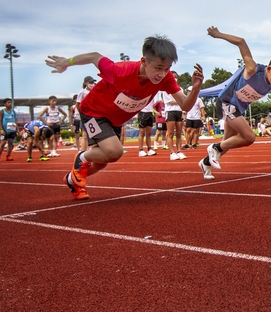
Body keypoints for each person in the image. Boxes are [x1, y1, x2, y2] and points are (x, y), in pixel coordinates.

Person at [45, 35, 203, 200]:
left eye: (167, 68)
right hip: (94, 111)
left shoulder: (165, 79)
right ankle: (82, 157)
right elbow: (94, 56)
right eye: (158, 67)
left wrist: (196, 89)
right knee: (114, 151)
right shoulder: (120, 70)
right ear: (144, 61)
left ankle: (72, 180)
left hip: (115, 119)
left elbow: (185, 105)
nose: (162, 74)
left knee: (102, 161)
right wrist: (67, 62)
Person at [198, 26, 271, 178]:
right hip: (226, 102)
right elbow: (241, 42)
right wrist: (218, 34)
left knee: (228, 142)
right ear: (269, 68)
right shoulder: (252, 69)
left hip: (238, 108)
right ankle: (213, 148)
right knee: (249, 137)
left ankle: (205, 163)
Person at [163, 72, 187, 160]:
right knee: (170, 133)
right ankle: (172, 152)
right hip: (170, 111)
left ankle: (179, 151)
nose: (175, 78)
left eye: (176, 77)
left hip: (178, 111)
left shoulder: (180, 89)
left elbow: (183, 101)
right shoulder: (166, 89)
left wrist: (183, 112)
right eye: (173, 77)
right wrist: (180, 100)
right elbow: (169, 101)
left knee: (179, 133)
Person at [75, 75, 96, 151]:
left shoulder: (95, 91)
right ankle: (83, 152)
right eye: (90, 82)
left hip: (94, 115)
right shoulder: (82, 92)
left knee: (95, 134)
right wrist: (82, 113)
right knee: (85, 135)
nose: (92, 84)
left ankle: (94, 151)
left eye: (93, 82)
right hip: (85, 115)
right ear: (85, 83)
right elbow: (78, 104)